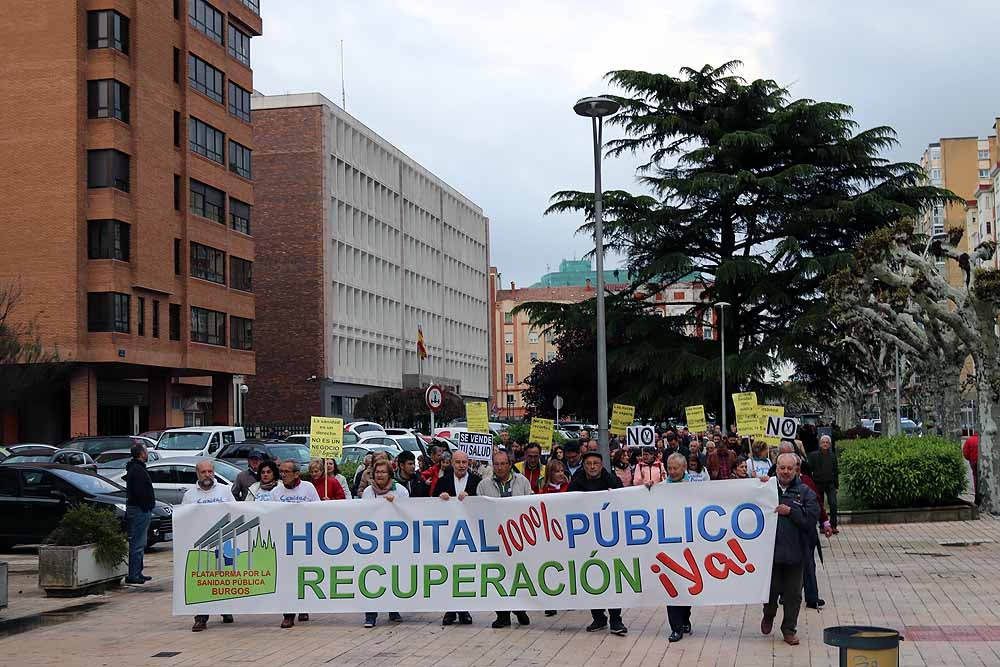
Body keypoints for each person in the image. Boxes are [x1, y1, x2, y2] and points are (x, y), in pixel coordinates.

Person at [761, 453, 821, 646]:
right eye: (782, 468)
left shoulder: (806, 492)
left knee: (793, 595)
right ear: (776, 468)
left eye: (789, 468)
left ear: (796, 469)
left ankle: (789, 629)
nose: (785, 472)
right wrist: (757, 486)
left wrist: (792, 511)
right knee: (770, 593)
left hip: (796, 555)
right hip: (771, 554)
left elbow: (810, 520)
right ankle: (768, 615)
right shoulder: (766, 489)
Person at [568, 451, 628, 636]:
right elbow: (566, 504)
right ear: (584, 466)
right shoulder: (576, 483)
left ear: (601, 465)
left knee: (611, 578)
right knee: (591, 578)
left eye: (596, 463)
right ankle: (598, 617)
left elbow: (625, 499)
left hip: (609, 538)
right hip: (586, 539)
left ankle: (616, 619)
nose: (592, 466)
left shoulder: (612, 481)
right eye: (589, 464)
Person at [477, 450, 532, 628]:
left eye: (503, 464)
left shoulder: (522, 481)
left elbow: (530, 504)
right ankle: (503, 615)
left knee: (518, 575)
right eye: (497, 464)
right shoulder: (484, 485)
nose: (500, 467)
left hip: (518, 537)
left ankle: (520, 608)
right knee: (498, 575)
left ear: (510, 464)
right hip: (495, 537)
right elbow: (477, 509)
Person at [184, 460, 235, 632]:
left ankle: (226, 609)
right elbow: (184, 519)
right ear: (197, 474)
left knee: (225, 576)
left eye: (210, 472)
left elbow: (235, 511)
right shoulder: (190, 495)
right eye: (204, 472)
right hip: (201, 544)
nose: (207, 475)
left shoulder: (225, 490)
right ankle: (201, 618)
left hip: (224, 540)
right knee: (203, 578)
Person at [361, 460, 408, 627]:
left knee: (392, 575)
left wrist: (394, 505)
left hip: (394, 541)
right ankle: (370, 615)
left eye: (383, 472)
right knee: (372, 577)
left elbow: (408, 512)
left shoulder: (400, 491)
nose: (379, 475)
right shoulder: (368, 491)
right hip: (372, 541)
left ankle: (393, 609)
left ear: (390, 474)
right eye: (377, 472)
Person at [437, 450, 481, 627]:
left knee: (466, 573)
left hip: (470, 536)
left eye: (464, 462)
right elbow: (428, 504)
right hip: (449, 536)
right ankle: (450, 610)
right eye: (458, 462)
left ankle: (464, 610)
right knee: (450, 573)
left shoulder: (477, 481)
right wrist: (440, 498)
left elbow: (484, 504)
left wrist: (473, 500)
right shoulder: (443, 482)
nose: (462, 465)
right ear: (452, 463)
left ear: (468, 463)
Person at [662, 452, 692, 641]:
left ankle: (685, 618)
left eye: (675, 468)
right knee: (671, 585)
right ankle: (676, 627)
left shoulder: (695, 488)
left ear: (684, 468)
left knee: (687, 585)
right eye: (669, 468)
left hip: (689, 545)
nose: (672, 472)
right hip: (668, 545)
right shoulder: (661, 488)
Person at [798, 459, 832, 610]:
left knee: (808, 563)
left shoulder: (806, 482)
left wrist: (825, 522)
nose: (787, 471)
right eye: (783, 467)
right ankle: (785, 595)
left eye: (792, 467)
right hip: (785, 534)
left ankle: (812, 597)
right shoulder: (774, 481)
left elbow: (817, 503)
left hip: (806, 531)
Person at [124, 442, 155, 585]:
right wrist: (146, 506)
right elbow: (139, 492)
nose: (147, 453)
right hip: (138, 510)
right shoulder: (137, 470)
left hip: (140, 509)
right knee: (137, 542)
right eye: (146, 451)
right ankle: (134, 574)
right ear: (141, 454)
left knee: (140, 542)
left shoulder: (137, 468)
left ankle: (138, 572)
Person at [807, 435, 839, 534]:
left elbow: (836, 471)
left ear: (829, 444)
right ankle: (822, 525)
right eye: (823, 442)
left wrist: (836, 485)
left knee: (833, 504)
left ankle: (833, 525)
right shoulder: (813, 455)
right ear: (820, 444)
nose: (825, 444)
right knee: (820, 506)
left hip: (830, 484)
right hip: (818, 484)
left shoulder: (833, 456)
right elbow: (809, 471)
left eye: (827, 442)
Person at [964, 432, 980, 505]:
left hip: (974, 461)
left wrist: (970, 458)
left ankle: (977, 495)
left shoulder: (969, 440)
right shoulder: (982, 439)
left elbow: (966, 453)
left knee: (976, 478)